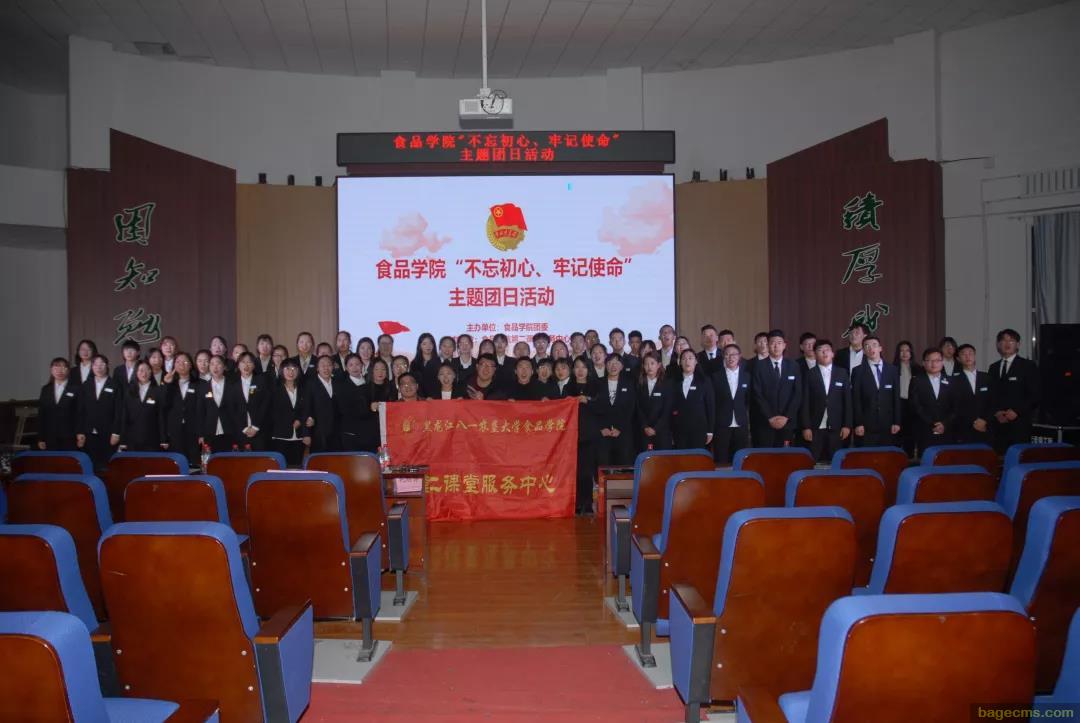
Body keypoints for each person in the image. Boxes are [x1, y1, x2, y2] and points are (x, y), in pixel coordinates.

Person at [988, 328, 1040, 453]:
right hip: (998, 424)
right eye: (1003, 340)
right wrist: (996, 412)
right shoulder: (993, 367)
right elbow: (990, 395)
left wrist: (1017, 411)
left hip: (1020, 424)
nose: (1007, 343)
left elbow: (1035, 395)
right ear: (998, 344)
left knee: (1019, 457)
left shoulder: (1028, 366)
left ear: (1018, 344)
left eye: (1011, 340)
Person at [799, 340, 852, 462]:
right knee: (812, 461)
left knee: (836, 461)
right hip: (815, 427)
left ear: (832, 354)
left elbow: (847, 402)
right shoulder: (809, 374)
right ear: (815, 355)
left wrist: (847, 425)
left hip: (837, 426)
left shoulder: (842, 373)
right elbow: (805, 403)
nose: (824, 353)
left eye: (827, 350)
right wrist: (806, 427)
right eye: (820, 350)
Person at [751, 329, 800, 447]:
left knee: (785, 456)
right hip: (765, 422)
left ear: (784, 345)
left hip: (787, 422)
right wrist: (770, 417)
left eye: (779, 343)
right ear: (768, 345)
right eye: (772, 343)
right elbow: (757, 394)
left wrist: (786, 417)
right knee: (765, 455)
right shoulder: (759, 366)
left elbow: (797, 393)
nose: (776, 346)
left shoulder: (793, 365)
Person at [850, 335, 901, 447]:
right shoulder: (857, 371)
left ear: (880, 348)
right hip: (866, 425)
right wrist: (858, 423)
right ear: (864, 351)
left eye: (874, 345)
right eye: (867, 346)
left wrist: (896, 422)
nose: (871, 348)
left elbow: (896, 398)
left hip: (888, 424)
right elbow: (856, 399)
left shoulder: (892, 370)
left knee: (887, 454)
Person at [564, 357, 597, 515]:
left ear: (588, 369)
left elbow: (601, 406)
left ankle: (588, 503)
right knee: (574, 471)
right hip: (572, 435)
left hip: (589, 434)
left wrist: (588, 400)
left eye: (583, 367)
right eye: (577, 367)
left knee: (587, 471)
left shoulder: (595, 386)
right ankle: (576, 503)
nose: (580, 370)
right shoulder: (568, 388)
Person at [909, 348, 956, 455]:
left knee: (947, 459)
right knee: (927, 459)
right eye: (929, 360)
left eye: (937, 360)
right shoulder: (916, 380)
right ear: (923, 363)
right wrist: (932, 423)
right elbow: (915, 405)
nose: (934, 364)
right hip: (925, 429)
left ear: (942, 362)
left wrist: (944, 423)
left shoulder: (951, 381)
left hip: (947, 429)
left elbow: (956, 406)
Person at [593, 354, 636, 466]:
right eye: (610, 363)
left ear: (622, 366)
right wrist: (601, 428)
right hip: (603, 433)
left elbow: (631, 409)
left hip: (623, 432)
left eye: (617, 363)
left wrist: (620, 428)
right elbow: (594, 408)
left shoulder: (629, 384)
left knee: (624, 466)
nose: (613, 366)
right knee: (604, 467)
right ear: (605, 365)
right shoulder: (597, 383)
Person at [77, 354, 119, 470]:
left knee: (107, 466)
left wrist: (116, 433)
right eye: (95, 364)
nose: (99, 367)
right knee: (90, 464)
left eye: (102, 364)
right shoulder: (86, 385)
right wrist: (80, 431)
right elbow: (80, 410)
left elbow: (119, 411)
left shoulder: (115, 385)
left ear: (107, 366)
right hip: (89, 431)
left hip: (108, 432)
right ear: (92, 367)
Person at [712, 343, 751, 465]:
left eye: (734, 354)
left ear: (739, 356)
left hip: (741, 423)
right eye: (727, 355)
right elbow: (713, 402)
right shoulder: (715, 377)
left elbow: (749, 400)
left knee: (740, 459)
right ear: (723, 357)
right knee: (721, 459)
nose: (730, 357)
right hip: (722, 424)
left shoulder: (747, 376)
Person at [117, 360, 167, 451]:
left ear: (151, 372)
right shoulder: (129, 391)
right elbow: (125, 416)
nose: (144, 373)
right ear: (136, 372)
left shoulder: (158, 391)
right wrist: (123, 440)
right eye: (141, 370)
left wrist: (163, 439)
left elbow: (161, 416)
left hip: (152, 438)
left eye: (147, 370)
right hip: (132, 439)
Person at [198, 355, 244, 452]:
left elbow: (239, 409)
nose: (215, 367)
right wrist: (201, 434)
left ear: (224, 367)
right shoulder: (203, 388)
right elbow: (200, 412)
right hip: (210, 432)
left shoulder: (233, 385)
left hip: (231, 430)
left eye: (218, 363)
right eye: (212, 364)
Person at [269, 359, 309, 466]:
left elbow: (306, 409)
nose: (291, 372)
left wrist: (300, 420)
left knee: (297, 467)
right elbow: (271, 412)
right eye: (287, 368)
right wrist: (287, 422)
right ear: (281, 370)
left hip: (299, 436)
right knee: (280, 467)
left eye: (294, 369)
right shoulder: (274, 389)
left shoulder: (304, 389)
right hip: (280, 435)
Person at [671, 349, 715, 450]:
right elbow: (670, 407)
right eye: (684, 359)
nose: (687, 361)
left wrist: (710, 431)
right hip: (679, 429)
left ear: (696, 361)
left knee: (697, 457)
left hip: (699, 429)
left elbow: (710, 407)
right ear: (680, 362)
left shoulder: (704, 381)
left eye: (690, 358)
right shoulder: (673, 381)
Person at [163, 351, 201, 467]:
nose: (181, 365)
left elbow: (202, 409)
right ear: (174, 365)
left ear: (190, 365)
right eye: (178, 362)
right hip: (175, 429)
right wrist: (167, 384)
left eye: (185, 362)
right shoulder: (170, 383)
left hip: (194, 429)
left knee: (194, 463)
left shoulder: (199, 384)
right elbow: (164, 405)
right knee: (177, 464)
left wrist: (202, 433)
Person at [953, 343, 993, 444]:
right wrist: (973, 422)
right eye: (963, 354)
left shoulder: (987, 377)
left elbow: (993, 401)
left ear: (975, 356)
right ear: (958, 359)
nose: (968, 357)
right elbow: (954, 405)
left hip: (985, 426)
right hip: (963, 428)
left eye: (970, 353)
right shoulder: (953, 380)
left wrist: (984, 420)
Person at [38, 357, 79, 451]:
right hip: (50, 435)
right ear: (51, 370)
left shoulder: (76, 389)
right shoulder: (46, 389)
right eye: (56, 368)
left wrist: (80, 433)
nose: (60, 371)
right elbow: (42, 415)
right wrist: (40, 438)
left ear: (68, 370)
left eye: (63, 367)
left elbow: (80, 414)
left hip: (70, 435)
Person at [337, 353, 376, 451]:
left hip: (370, 433)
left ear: (362, 365)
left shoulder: (370, 383)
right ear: (346, 368)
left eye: (357, 364)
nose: (355, 367)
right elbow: (344, 410)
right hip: (352, 433)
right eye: (351, 365)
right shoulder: (342, 386)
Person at [635, 351, 673, 451]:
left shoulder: (667, 383)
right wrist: (645, 426)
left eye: (652, 363)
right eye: (646, 364)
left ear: (658, 365)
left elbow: (667, 409)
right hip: (644, 431)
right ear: (643, 366)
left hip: (662, 431)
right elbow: (638, 408)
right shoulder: (639, 383)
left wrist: (656, 428)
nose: (649, 367)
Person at [893, 340, 923, 456]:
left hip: (913, 404)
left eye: (907, 350)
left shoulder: (918, 369)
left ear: (911, 353)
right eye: (901, 351)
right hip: (898, 403)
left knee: (911, 431)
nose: (904, 353)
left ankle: (910, 456)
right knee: (897, 432)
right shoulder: (893, 368)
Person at [305, 355, 338, 452]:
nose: (326, 368)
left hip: (336, 433)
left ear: (333, 367)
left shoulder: (338, 383)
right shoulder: (310, 384)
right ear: (317, 368)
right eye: (323, 365)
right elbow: (306, 409)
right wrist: (306, 433)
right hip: (318, 433)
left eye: (329, 365)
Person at [235, 352, 267, 450]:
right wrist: (244, 428)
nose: (246, 365)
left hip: (260, 430)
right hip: (240, 431)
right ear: (238, 365)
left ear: (254, 365)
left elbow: (265, 405)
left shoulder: (262, 381)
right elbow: (232, 409)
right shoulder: (232, 384)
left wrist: (256, 427)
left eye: (249, 362)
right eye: (243, 362)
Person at [411, 333, 440, 397]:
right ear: (420, 346)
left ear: (434, 345)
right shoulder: (414, 364)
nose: (428, 346)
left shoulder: (439, 362)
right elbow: (413, 383)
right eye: (424, 344)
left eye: (430, 343)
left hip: (437, 398)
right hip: (420, 398)